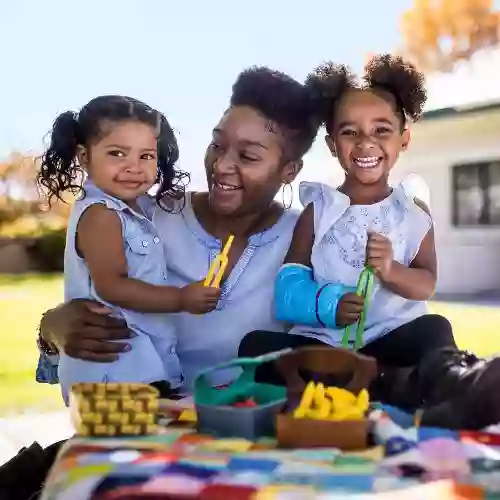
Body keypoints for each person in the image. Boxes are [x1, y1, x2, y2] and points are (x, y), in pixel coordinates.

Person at [0, 66, 320, 500]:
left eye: (247, 156)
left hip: (242, 438)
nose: (222, 165)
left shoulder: (309, 238)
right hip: (134, 428)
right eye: (217, 144)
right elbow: (95, 296)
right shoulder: (142, 216)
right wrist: (51, 329)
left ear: (289, 170)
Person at [239, 54, 500, 431]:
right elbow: (288, 290)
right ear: (331, 143)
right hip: (328, 348)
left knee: (434, 329)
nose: (366, 144)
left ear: (404, 137)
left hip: (391, 337)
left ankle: (457, 385)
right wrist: (329, 304)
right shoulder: (319, 210)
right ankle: (395, 386)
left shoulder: (412, 210)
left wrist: (392, 271)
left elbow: (426, 282)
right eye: (350, 132)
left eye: (381, 130)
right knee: (256, 348)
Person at [36, 95, 222, 403]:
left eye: (146, 156)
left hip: (136, 364)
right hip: (113, 368)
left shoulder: (133, 210)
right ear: (84, 157)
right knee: (125, 445)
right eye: (117, 153)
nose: (133, 167)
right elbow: (112, 286)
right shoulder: (101, 215)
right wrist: (181, 298)